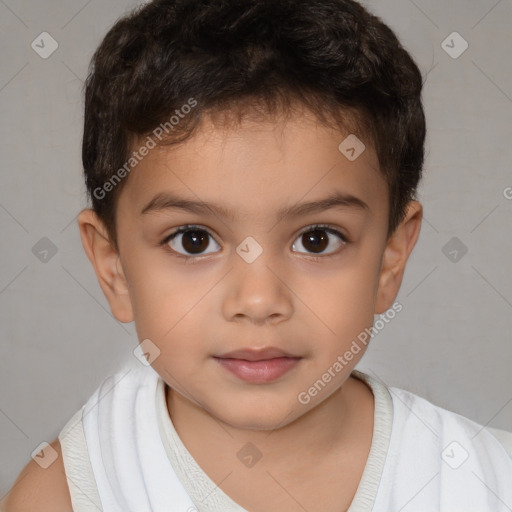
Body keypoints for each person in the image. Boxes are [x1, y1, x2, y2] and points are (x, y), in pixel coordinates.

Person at [4, 0, 512, 510]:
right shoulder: (70, 493)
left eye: (317, 239)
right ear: (113, 267)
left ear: (390, 258)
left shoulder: (482, 481)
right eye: (193, 240)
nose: (258, 300)